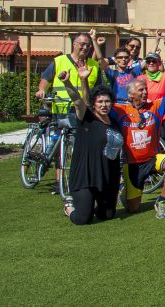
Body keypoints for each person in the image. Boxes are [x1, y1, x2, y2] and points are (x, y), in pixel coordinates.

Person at [111, 55, 165, 218]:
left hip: (152, 159)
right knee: (133, 208)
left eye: (146, 89)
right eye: (141, 90)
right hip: (131, 165)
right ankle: (126, 191)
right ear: (131, 95)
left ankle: (162, 200)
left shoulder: (156, 106)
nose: (146, 92)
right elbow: (97, 105)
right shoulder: (120, 110)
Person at [58, 66, 122, 225]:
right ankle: (70, 207)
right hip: (85, 176)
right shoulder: (87, 119)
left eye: (107, 101)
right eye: (100, 101)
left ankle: (93, 203)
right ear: (94, 104)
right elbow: (78, 101)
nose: (104, 105)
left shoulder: (114, 123)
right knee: (83, 218)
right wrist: (68, 82)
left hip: (107, 177)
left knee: (106, 215)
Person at [36, 33, 102, 115]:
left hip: (85, 111)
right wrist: (41, 90)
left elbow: (99, 90)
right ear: (74, 44)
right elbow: (45, 79)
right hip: (62, 111)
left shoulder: (94, 65)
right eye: (82, 44)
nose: (85, 48)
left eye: (88, 45)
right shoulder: (59, 61)